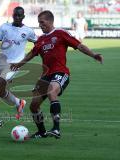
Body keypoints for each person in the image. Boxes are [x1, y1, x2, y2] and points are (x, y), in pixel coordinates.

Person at [11, 10, 103, 139]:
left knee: (51, 91)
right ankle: (42, 132)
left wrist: (94, 55)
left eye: (42, 22)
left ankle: (56, 129)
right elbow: (31, 55)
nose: (40, 25)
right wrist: (17, 65)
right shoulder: (41, 39)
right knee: (34, 105)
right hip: (45, 76)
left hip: (60, 72)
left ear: (50, 21)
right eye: (39, 23)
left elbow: (79, 46)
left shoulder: (60, 34)